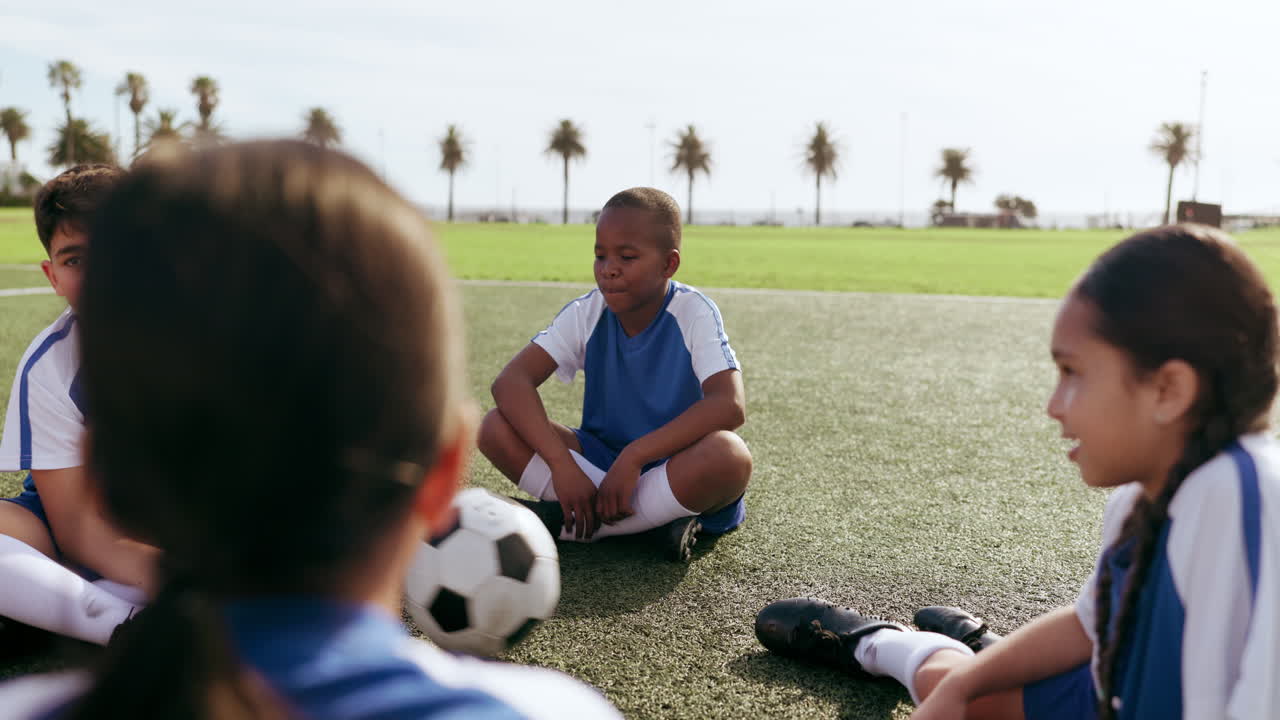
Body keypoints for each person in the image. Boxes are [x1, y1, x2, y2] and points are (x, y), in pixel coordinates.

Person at [0, 141, 620, 719]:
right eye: (77, 259)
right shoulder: (555, 710)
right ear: (443, 475)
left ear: (116, 475)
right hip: (99, 546)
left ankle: (94, 607)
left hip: (147, 560)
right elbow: (76, 523)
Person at [754, 225, 1280, 719]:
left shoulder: (1239, 495)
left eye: (1072, 372)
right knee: (957, 691)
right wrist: (963, 686)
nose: (1054, 405)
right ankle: (876, 641)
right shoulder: (1142, 498)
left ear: (1168, 390)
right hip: (1104, 692)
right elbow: (1084, 627)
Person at [477, 187, 752, 561]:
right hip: (601, 463)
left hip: (676, 468)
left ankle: (560, 521)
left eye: (627, 256)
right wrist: (559, 463)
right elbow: (510, 383)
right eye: (600, 255)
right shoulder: (587, 312)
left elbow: (729, 405)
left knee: (729, 456)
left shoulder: (694, 312)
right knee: (495, 426)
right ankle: (646, 527)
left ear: (669, 265)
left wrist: (636, 456)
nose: (608, 268)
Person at [0, 165, 154, 650]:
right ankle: (122, 625)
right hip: (80, 530)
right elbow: (76, 529)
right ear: (53, 275)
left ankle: (49, 608)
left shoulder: (219, 333)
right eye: (77, 260)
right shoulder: (51, 366)